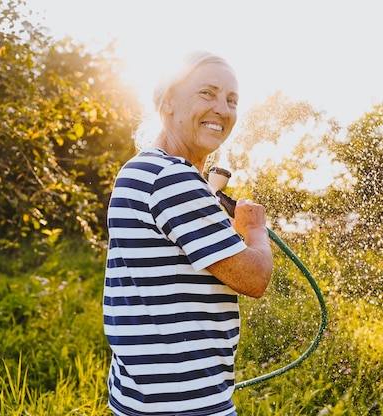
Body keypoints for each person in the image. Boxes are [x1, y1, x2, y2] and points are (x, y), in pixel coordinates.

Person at [103, 51, 273, 416]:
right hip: (187, 403)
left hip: (138, 398)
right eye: (207, 93)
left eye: (232, 100)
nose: (223, 109)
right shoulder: (172, 177)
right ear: (168, 103)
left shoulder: (141, 169)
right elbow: (254, 278)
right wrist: (255, 229)